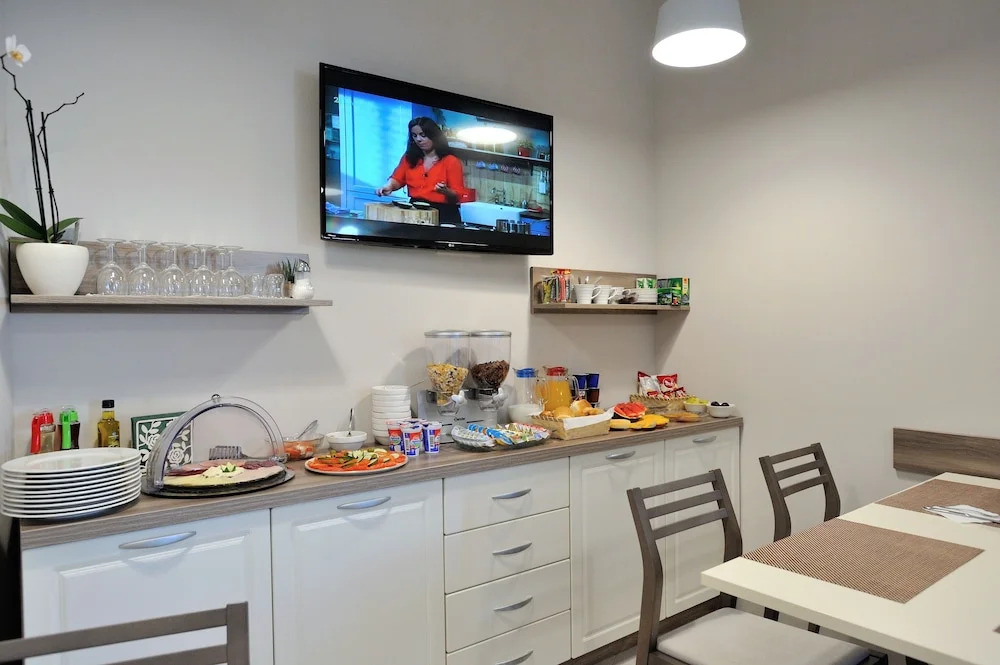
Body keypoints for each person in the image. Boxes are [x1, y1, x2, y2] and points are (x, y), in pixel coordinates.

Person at [375, 117, 466, 225]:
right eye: (414, 135)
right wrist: (388, 186)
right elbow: (397, 178)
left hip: (444, 214)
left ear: (434, 136)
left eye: (423, 135)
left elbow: (458, 195)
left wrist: (446, 191)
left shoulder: (451, 161)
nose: (418, 139)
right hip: (415, 212)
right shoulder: (409, 158)